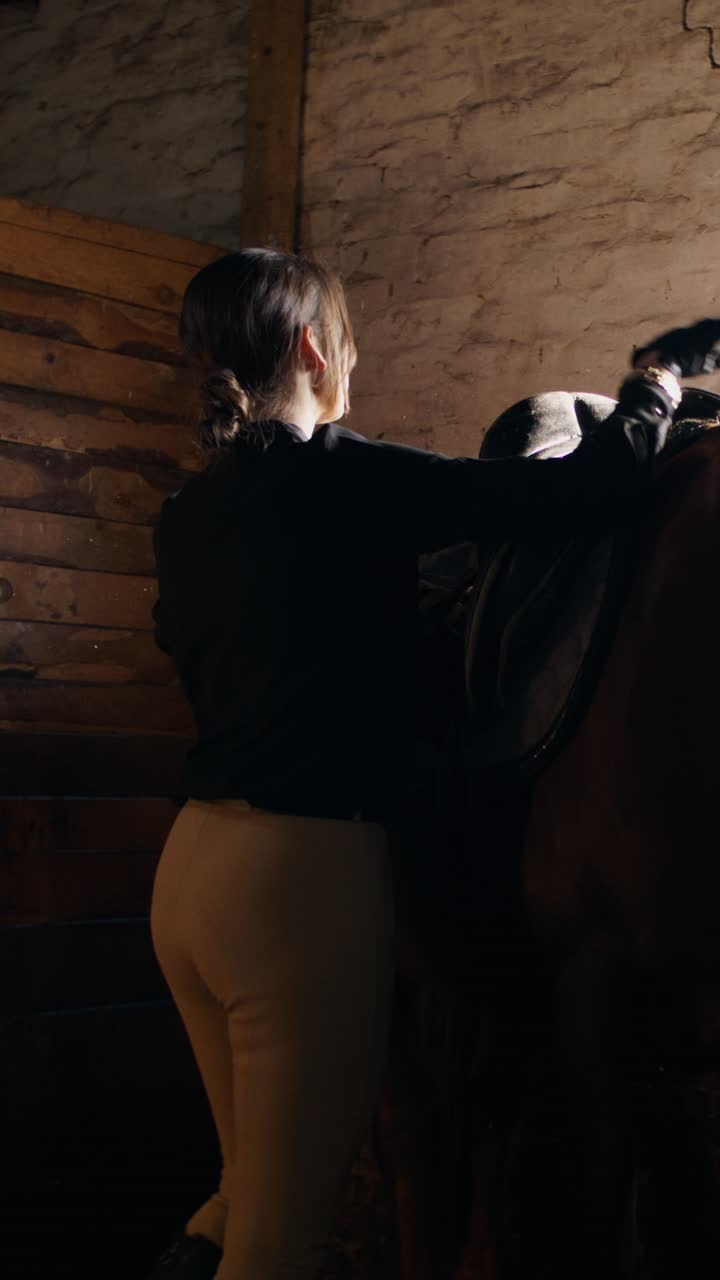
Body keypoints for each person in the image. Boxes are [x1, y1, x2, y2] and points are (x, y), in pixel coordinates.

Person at [146, 246, 697, 1280]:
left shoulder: (186, 513)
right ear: (315, 346)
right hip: (297, 882)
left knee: (234, 1202)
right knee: (281, 1244)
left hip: (188, 877)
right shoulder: (343, 477)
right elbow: (582, 490)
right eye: (347, 336)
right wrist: (655, 380)